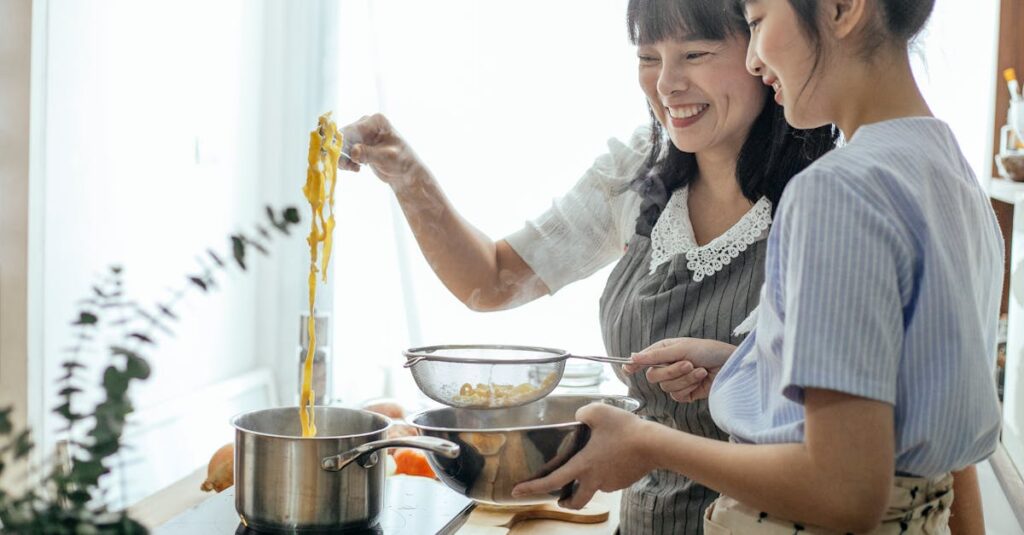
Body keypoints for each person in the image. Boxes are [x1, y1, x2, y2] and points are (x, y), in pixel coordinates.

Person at [340, 0, 834, 531]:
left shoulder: (833, 198)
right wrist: (406, 175)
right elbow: (493, 281)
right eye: (648, 56)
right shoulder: (635, 175)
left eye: (695, 53)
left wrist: (735, 371)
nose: (666, 84)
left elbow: (852, 447)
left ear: (764, 48)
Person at [512, 0, 1002, 533]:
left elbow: (844, 491)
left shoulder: (835, 190)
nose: (753, 60)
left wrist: (646, 442)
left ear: (841, 9)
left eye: (760, 21)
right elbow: (916, 409)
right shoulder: (949, 169)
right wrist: (751, 364)